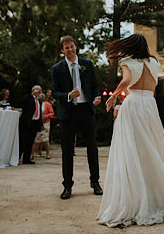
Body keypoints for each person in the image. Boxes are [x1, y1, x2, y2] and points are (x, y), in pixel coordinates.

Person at [97, 34, 164, 227]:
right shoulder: (154, 61)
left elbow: (126, 81)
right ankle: (156, 198)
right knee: (150, 151)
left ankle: (135, 199)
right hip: (150, 105)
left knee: (130, 151)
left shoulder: (128, 62)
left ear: (131, 46)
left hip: (134, 105)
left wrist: (114, 96)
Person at [51, 35, 103, 199]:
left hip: (86, 111)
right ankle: (67, 186)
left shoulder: (87, 65)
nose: (70, 49)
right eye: (66, 47)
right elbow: (54, 92)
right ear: (62, 51)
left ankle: (95, 182)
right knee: (67, 151)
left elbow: (95, 86)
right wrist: (68, 95)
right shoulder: (57, 68)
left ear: (76, 47)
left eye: (72, 46)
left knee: (92, 148)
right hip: (68, 113)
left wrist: (96, 97)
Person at [15, 85, 45, 164]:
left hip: (35, 123)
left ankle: (26, 159)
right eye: (38, 90)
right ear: (33, 90)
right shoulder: (28, 98)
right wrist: (32, 94)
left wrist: (40, 124)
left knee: (30, 142)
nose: (39, 92)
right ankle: (16, 158)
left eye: (40, 90)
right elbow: (22, 103)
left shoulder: (39, 101)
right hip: (26, 123)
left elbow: (39, 113)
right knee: (22, 141)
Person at [35, 93, 55, 160]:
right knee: (37, 138)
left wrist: (46, 116)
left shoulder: (47, 104)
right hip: (38, 123)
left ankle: (48, 153)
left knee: (45, 138)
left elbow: (52, 113)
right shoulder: (36, 103)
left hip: (46, 123)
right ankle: (35, 153)